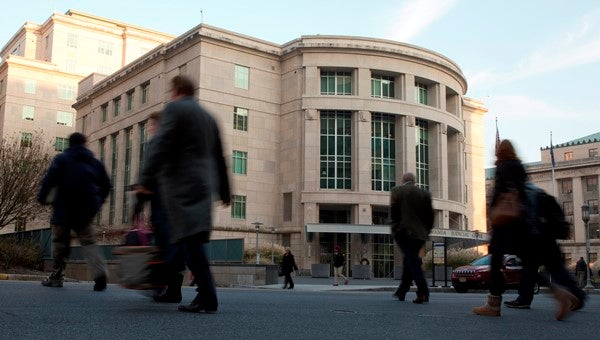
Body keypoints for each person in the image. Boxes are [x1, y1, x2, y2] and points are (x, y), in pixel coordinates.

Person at [138, 75, 231, 313]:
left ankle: (207, 295)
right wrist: (224, 189)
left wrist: (145, 180)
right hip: (204, 185)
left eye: (171, 91)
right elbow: (220, 157)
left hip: (182, 185)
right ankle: (202, 293)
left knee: (189, 240)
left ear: (177, 90)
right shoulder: (209, 117)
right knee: (191, 239)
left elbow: (160, 144)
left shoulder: (175, 109)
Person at [474, 140, 583, 320]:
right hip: (522, 224)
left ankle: (493, 304)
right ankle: (559, 293)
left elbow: (500, 195)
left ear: (499, 152)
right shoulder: (519, 167)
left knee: (495, 262)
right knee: (527, 267)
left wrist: (493, 213)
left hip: (504, 225)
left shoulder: (502, 167)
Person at [37, 132, 111, 291]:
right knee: (89, 242)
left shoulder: (61, 159)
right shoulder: (94, 162)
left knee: (60, 243)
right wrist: (98, 202)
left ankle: (57, 276)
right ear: (85, 144)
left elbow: (48, 181)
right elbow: (106, 185)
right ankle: (100, 275)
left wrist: (42, 198)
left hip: (63, 208)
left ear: (69, 144)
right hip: (86, 209)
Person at [134, 111, 186, 303]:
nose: (150, 129)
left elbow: (150, 169)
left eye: (151, 125)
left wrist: (139, 200)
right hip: (179, 203)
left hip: (162, 201)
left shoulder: (157, 142)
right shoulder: (179, 144)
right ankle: (173, 289)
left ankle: (160, 282)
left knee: (165, 243)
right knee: (174, 243)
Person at [390, 172, 434, 304]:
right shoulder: (425, 194)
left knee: (412, 259)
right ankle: (402, 292)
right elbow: (430, 215)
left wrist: (395, 227)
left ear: (404, 180)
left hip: (404, 231)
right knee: (410, 259)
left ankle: (423, 289)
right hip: (420, 234)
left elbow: (394, 211)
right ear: (414, 181)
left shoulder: (397, 191)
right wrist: (427, 230)